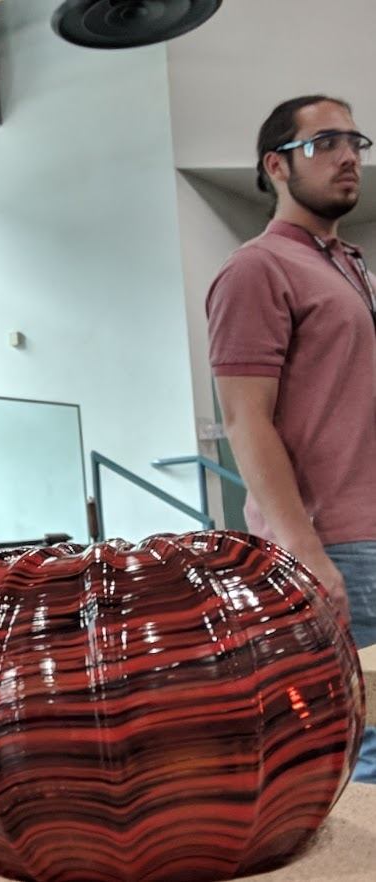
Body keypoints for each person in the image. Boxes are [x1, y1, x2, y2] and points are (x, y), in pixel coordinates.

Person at [205, 94, 376, 783]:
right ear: (277, 164)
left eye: (354, 142)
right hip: (334, 541)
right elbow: (247, 421)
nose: (348, 157)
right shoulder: (256, 268)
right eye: (325, 142)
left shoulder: (347, 266)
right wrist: (306, 552)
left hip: (369, 531)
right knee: (362, 742)